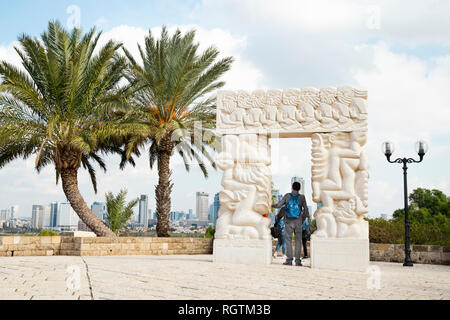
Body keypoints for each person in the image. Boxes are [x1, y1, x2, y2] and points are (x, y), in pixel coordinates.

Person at [272, 182, 310, 266]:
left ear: (292, 187)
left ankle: (289, 260)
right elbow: (306, 210)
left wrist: (271, 205)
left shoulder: (287, 196)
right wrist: (302, 219)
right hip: (298, 221)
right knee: (298, 241)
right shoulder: (302, 197)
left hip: (288, 221)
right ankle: (297, 261)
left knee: (288, 241)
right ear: (299, 188)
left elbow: (279, 205)